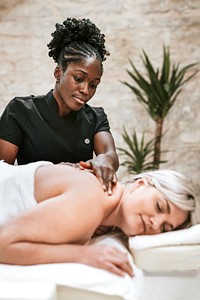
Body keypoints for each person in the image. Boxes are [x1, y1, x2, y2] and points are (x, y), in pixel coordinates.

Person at [0, 160, 196, 277]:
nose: (155, 223)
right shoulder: (93, 198)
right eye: (159, 206)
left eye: (164, 228)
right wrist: (84, 255)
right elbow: (3, 244)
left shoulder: (102, 213)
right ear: (141, 184)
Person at [0, 17, 119, 194]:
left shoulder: (95, 118)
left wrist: (105, 161)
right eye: (78, 79)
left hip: (74, 208)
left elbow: (110, 154)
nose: (86, 90)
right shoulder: (21, 110)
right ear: (58, 72)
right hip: (28, 205)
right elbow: (2, 172)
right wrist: (51, 173)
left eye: (93, 84)